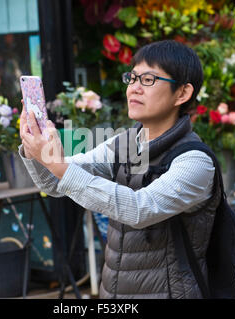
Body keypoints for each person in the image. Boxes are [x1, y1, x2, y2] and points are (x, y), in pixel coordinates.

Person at [18, 40, 221, 299]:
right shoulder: (125, 144)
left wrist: (58, 164)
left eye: (148, 79)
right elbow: (55, 183)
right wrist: (35, 146)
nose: (134, 88)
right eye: (132, 78)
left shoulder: (194, 161)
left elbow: (140, 209)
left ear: (182, 93)